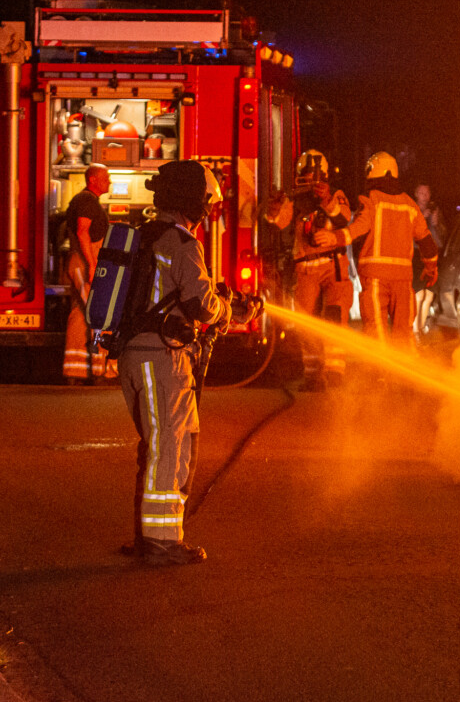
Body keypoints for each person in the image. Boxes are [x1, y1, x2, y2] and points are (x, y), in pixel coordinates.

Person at [117, 160, 259, 566]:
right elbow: (200, 302)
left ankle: (149, 536)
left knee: (160, 445)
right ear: (193, 201)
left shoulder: (144, 236)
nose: (208, 212)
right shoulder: (181, 242)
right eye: (207, 203)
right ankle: (162, 543)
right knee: (168, 448)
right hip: (161, 358)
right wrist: (231, 310)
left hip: (134, 356)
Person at [314, 152, 437, 347]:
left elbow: (358, 228)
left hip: (375, 279)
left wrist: (334, 238)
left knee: (376, 332)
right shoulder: (410, 205)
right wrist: (431, 268)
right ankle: (404, 375)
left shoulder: (371, 200)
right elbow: (427, 242)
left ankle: (380, 376)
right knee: (404, 335)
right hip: (403, 281)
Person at [266, 150, 353, 390]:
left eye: (313, 176)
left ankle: (335, 372)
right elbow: (278, 222)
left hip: (333, 265)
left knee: (336, 319)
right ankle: (313, 375)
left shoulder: (337, 196)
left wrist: (326, 201)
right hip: (305, 268)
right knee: (307, 323)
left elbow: (344, 219)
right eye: (305, 176)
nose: (309, 181)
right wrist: (274, 208)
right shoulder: (295, 199)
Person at [61, 163, 115, 384]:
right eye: (106, 177)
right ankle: (101, 369)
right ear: (93, 180)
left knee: (81, 314)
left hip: (81, 261)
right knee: (100, 312)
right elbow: (83, 232)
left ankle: (76, 371)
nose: (109, 181)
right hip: (85, 262)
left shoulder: (86, 201)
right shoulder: (86, 201)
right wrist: (93, 265)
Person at [411, 183, 447, 340]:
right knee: (419, 294)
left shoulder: (435, 210)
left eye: (427, 193)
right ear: (416, 195)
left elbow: (444, 234)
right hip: (418, 254)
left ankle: (420, 326)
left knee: (429, 296)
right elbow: (409, 233)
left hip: (434, 253)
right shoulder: (412, 211)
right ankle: (415, 329)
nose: (425, 197)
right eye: (421, 193)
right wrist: (422, 218)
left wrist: (436, 223)